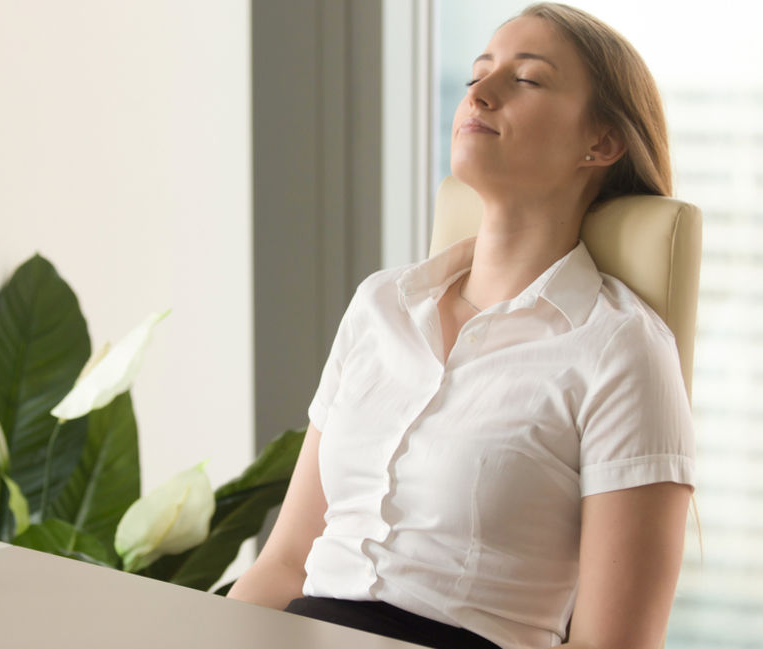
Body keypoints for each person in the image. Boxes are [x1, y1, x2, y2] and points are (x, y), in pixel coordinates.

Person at [227, 3, 695, 649]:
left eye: (526, 79)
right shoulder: (380, 305)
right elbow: (282, 563)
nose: (481, 91)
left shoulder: (621, 349)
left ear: (602, 142)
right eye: (480, 71)